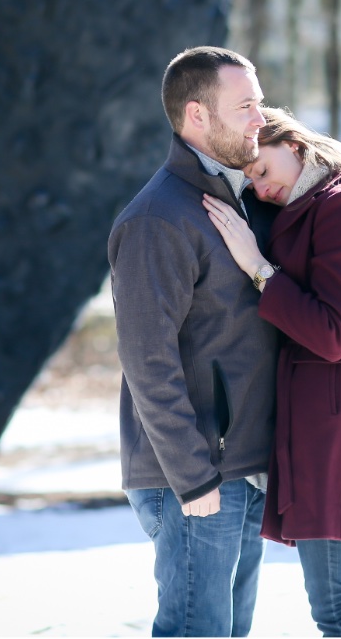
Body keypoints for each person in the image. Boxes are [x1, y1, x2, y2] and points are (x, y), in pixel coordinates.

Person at [202, 107, 341, 638]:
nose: (260, 186)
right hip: (330, 406)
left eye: (262, 171)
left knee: (337, 606)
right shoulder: (317, 204)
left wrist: (257, 267)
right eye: (249, 178)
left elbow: (331, 332)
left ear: (293, 147)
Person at [107, 46, 281, 637]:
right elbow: (146, 359)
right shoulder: (158, 218)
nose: (262, 116)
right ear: (197, 115)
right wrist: (193, 476)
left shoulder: (239, 201)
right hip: (197, 480)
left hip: (244, 468)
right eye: (247, 105)